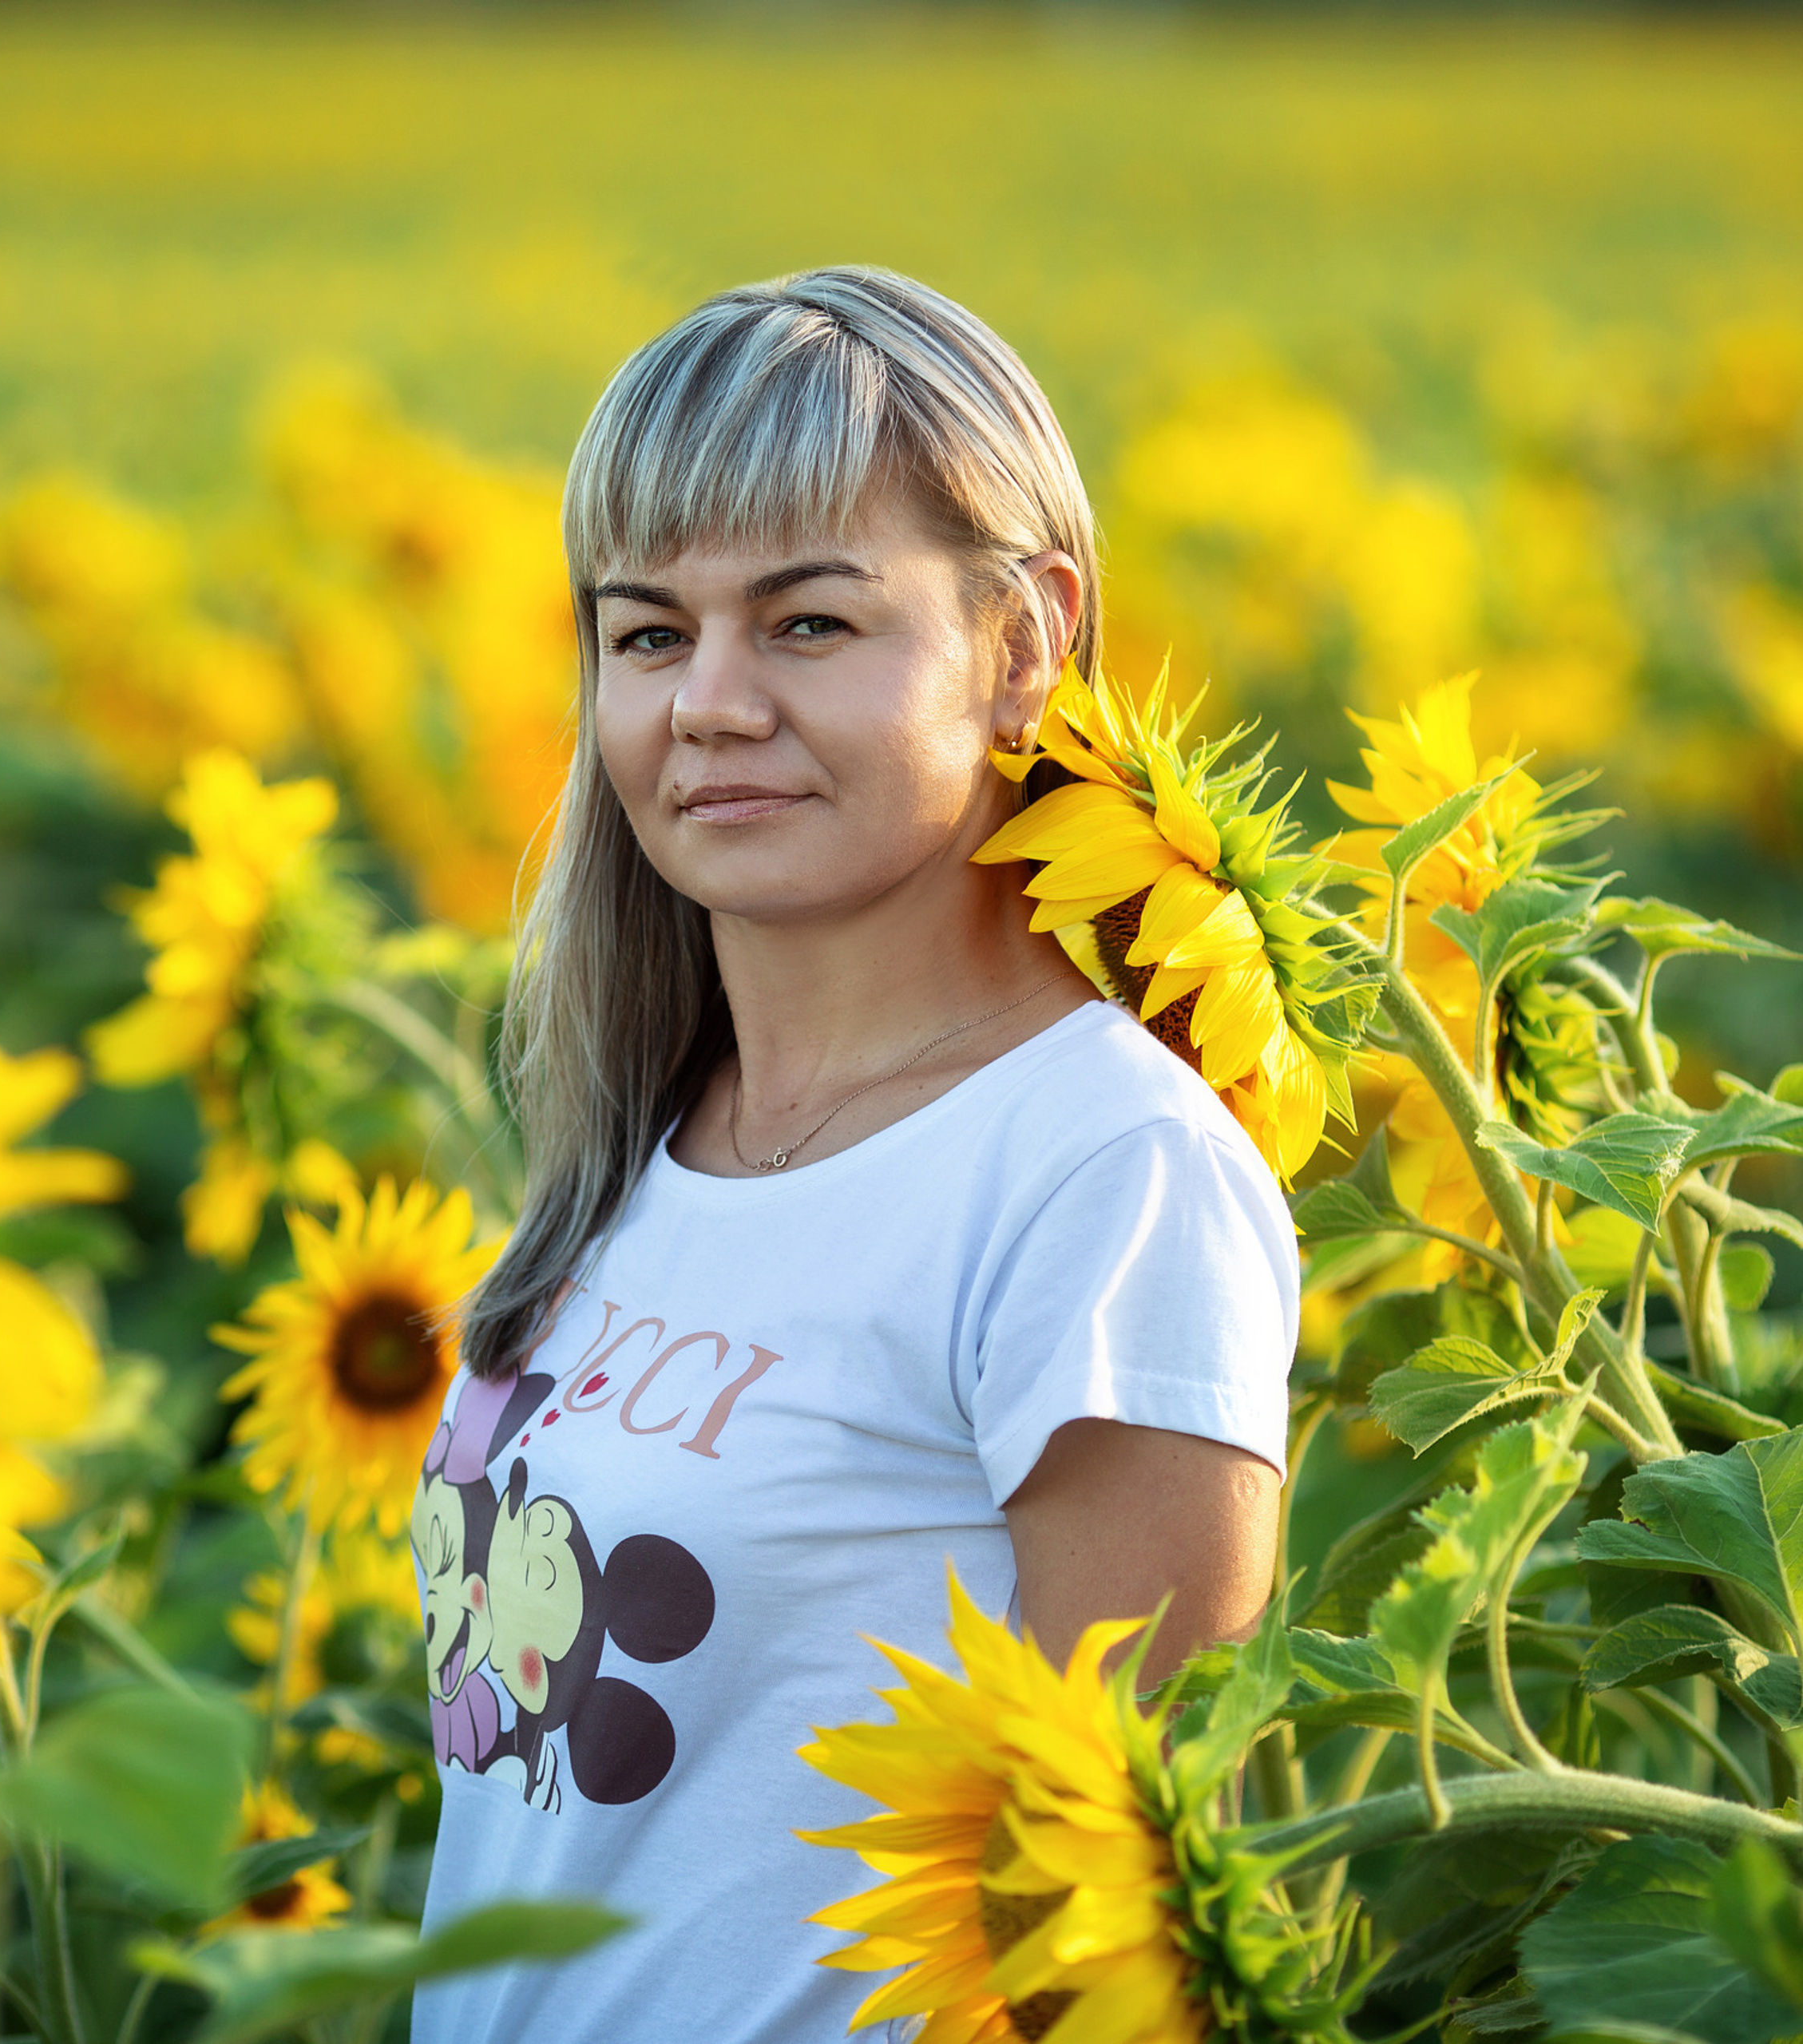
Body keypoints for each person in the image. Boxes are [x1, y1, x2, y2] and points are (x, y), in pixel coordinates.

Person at [407, 265, 1298, 2044]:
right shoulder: (646, 1137)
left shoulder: (1098, 1170)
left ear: (1024, 640)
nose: (708, 703)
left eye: (807, 624)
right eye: (648, 633)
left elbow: (1121, 1905)